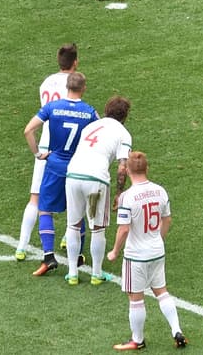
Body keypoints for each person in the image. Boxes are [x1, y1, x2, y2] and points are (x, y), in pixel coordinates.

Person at [108, 152, 188, 350]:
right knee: (161, 291)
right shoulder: (160, 191)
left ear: (127, 171)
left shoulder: (128, 197)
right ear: (147, 168)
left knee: (135, 298)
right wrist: (158, 239)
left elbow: (124, 228)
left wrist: (115, 251)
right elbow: (167, 219)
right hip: (156, 251)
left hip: (136, 256)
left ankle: (138, 340)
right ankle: (176, 330)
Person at [23, 71, 97, 276]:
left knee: (45, 209)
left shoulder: (52, 107)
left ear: (67, 87)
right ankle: (79, 255)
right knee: (77, 214)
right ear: (83, 88)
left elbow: (28, 130)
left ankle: (48, 257)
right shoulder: (90, 112)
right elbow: (99, 135)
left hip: (55, 165)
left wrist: (38, 153)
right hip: (77, 167)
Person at [15, 43, 78, 261]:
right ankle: (69, 239)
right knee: (73, 196)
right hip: (66, 149)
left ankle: (21, 247)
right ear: (75, 62)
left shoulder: (45, 83)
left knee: (36, 198)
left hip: (44, 145)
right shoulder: (73, 83)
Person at [64, 95, 132, 286]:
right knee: (97, 227)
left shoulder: (91, 126)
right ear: (125, 115)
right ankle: (96, 273)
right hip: (95, 180)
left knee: (73, 225)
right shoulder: (123, 133)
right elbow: (122, 167)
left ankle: (72, 273)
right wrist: (119, 193)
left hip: (73, 175)